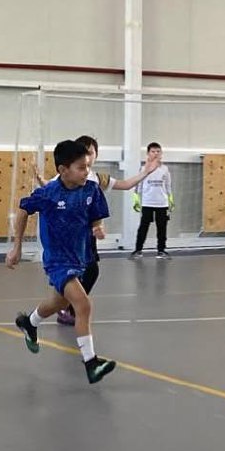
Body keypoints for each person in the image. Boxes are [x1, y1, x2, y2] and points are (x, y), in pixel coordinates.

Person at [6, 140, 116, 384]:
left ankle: (29, 322)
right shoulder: (49, 194)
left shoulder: (91, 190)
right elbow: (23, 210)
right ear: (63, 170)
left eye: (88, 166)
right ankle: (91, 363)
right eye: (81, 167)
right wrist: (17, 247)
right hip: (57, 260)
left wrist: (98, 227)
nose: (86, 172)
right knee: (83, 305)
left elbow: (96, 217)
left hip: (80, 257)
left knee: (59, 302)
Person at [34, 135, 160, 325]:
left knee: (89, 270)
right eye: (84, 151)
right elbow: (52, 189)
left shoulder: (97, 179)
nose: (88, 156)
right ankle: (70, 307)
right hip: (68, 237)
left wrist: (146, 172)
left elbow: (125, 184)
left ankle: (69, 306)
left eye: (91, 152)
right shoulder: (67, 176)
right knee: (83, 271)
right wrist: (41, 181)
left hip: (87, 235)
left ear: (95, 155)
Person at [130, 142, 174, 259]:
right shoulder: (143, 168)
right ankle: (138, 250)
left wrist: (170, 200)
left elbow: (168, 186)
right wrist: (136, 200)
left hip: (162, 203)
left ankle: (161, 250)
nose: (156, 154)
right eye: (153, 151)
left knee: (162, 227)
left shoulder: (165, 169)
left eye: (158, 151)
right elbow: (138, 185)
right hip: (147, 202)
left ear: (161, 154)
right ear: (148, 154)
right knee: (143, 227)